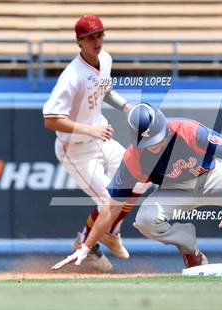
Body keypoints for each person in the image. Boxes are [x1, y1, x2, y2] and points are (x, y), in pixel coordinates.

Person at [52, 103, 222, 271]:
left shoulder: (189, 130)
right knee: (145, 220)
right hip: (174, 190)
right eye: (146, 142)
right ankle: (190, 250)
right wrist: (87, 246)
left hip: (209, 176)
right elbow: (111, 209)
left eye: (156, 139)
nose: (154, 146)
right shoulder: (133, 157)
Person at [43, 15, 137, 271]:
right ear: (79, 42)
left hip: (100, 138)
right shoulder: (71, 76)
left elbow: (104, 90)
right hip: (75, 149)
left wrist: (125, 105)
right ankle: (87, 245)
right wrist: (90, 129)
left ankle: (108, 233)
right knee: (108, 202)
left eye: (100, 35)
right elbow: (50, 120)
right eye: (90, 37)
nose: (97, 41)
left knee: (138, 177)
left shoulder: (105, 59)